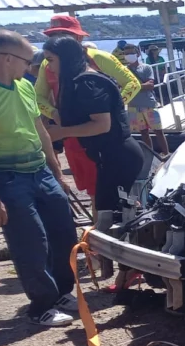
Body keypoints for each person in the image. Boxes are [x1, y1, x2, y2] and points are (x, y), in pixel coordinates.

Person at [0, 30, 79, 326]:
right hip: (6, 176)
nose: (33, 68)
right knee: (29, 241)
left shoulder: (25, 87)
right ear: (7, 59)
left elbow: (39, 129)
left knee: (62, 231)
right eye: (29, 62)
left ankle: (61, 292)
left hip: (40, 170)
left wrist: (56, 170)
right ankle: (40, 305)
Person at [34, 16, 140, 207]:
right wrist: (54, 114)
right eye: (53, 35)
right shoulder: (48, 64)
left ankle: (101, 227)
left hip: (98, 133)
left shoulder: (99, 59)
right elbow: (38, 96)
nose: (57, 39)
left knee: (106, 195)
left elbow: (133, 84)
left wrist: (111, 107)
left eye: (64, 35)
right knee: (93, 190)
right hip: (76, 137)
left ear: (79, 39)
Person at [121, 44, 169, 155]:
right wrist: (140, 86)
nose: (129, 55)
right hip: (133, 106)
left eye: (131, 53)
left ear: (137, 54)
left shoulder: (146, 67)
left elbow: (150, 85)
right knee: (143, 132)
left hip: (149, 104)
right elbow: (122, 86)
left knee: (158, 131)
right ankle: (150, 155)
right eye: (126, 53)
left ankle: (166, 153)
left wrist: (133, 87)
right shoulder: (123, 71)